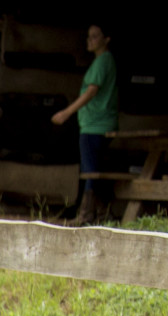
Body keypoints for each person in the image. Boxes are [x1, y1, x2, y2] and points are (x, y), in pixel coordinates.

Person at [51, 24, 119, 225]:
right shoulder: (105, 61)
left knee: (90, 170)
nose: (90, 40)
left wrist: (66, 112)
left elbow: (91, 91)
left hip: (95, 125)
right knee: (94, 167)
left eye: (95, 36)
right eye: (89, 36)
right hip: (97, 123)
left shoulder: (103, 61)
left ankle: (86, 214)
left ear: (106, 39)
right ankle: (101, 214)